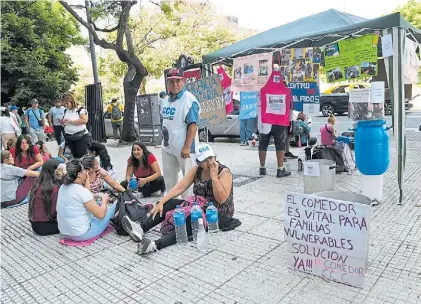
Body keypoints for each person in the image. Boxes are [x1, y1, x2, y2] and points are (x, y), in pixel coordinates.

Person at [122, 144, 234, 255]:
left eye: (211, 158)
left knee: (191, 219)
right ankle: (141, 228)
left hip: (218, 213)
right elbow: (180, 187)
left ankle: (154, 245)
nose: (209, 162)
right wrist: (162, 202)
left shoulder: (224, 172)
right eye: (205, 160)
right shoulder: (197, 170)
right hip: (199, 206)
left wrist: (214, 178)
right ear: (198, 162)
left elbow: (221, 200)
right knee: (169, 203)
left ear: (215, 157)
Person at [161, 68, 200, 199]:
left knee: (188, 180)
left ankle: (188, 206)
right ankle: (171, 205)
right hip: (168, 147)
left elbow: (193, 125)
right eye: (171, 82)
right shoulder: (166, 99)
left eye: (178, 81)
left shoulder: (189, 100)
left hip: (185, 149)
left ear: (183, 81)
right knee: (169, 179)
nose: (175, 84)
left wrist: (187, 146)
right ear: (167, 83)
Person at [57, 160, 117, 241]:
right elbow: (101, 215)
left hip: (65, 233)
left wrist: (87, 180)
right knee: (112, 208)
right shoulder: (81, 191)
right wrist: (104, 200)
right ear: (79, 174)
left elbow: (86, 196)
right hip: (81, 234)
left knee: (97, 203)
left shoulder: (63, 187)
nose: (86, 171)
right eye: (84, 170)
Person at [28, 159, 62, 236]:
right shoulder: (54, 188)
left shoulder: (37, 184)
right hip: (48, 226)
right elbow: (55, 211)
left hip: (35, 225)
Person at [61, 93, 90, 158]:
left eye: (67, 103)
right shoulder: (66, 110)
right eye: (64, 104)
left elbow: (84, 120)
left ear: (72, 101)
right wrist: (63, 122)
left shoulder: (80, 109)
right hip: (69, 137)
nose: (65, 105)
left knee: (82, 156)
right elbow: (66, 122)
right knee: (74, 156)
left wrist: (70, 121)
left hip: (80, 136)